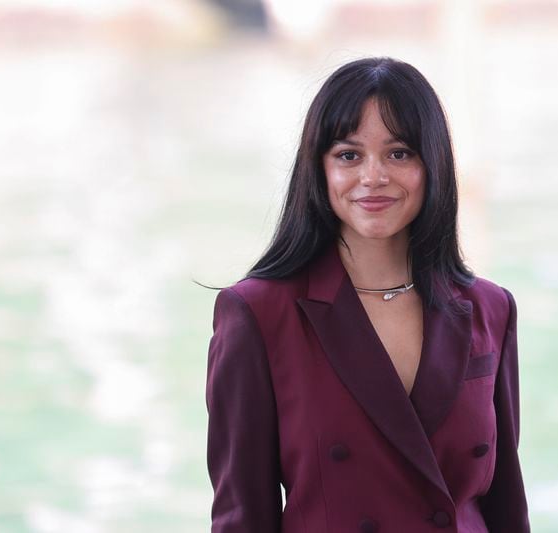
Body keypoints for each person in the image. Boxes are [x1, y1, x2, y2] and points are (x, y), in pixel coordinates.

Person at [205, 56, 531, 533]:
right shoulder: (258, 313)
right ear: (319, 169)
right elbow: (242, 517)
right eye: (348, 155)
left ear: (432, 163)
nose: (373, 177)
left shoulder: (490, 308)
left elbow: (507, 506)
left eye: (399, 153)